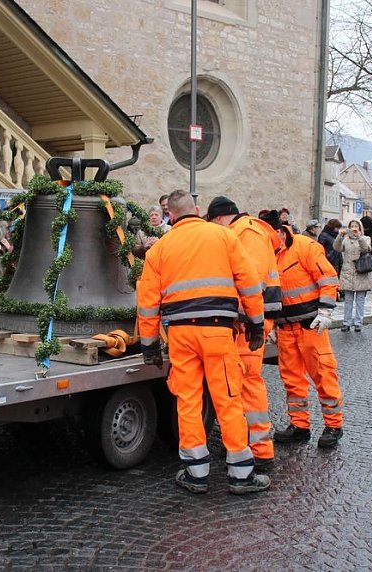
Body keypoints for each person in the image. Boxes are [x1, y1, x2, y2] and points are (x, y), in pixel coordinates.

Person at [137, 189, 270, 495]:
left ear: (170, 214)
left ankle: (196, 473)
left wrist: (149, 347)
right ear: (196, 209)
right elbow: (248, 283)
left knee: (188, 401)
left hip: (180, 335)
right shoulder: (223, 236)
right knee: (227, 399)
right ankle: (241, 475)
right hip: (218, 332)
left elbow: (147, 303)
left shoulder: (159, 249)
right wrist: (257, 322)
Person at [205, 196, 282, 470]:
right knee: (242, 383)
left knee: (246, 383)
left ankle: (259, 451)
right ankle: (250, 447)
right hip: (251, 320)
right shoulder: (246, 231)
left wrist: (240, 318)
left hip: (249, 323)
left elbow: (251, 280)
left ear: (220, 218)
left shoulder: (246, 232)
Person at [258, 210, 344, 449]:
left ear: (278, 231)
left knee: (323, 375)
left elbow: (327, 278)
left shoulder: (305, 247)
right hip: (285, 329)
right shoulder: (266, 255)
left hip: (311, 327)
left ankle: (333, 425)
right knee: (292, 381)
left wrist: (325, 311)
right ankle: (299, 425)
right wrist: (271, 323)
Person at [333, 219, 372, 332]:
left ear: (360, 228)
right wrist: (339, 237)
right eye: (352, 226)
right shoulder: (346, 239)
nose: (354, 228)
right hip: (348, 272)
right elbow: (336, 248)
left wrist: (359, 237)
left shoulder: (366, 239)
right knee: (348, 300)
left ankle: (358, 323)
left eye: (356, 226)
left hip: (361, 272)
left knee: (360, 300)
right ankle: (346, 323)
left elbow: (366, 249)